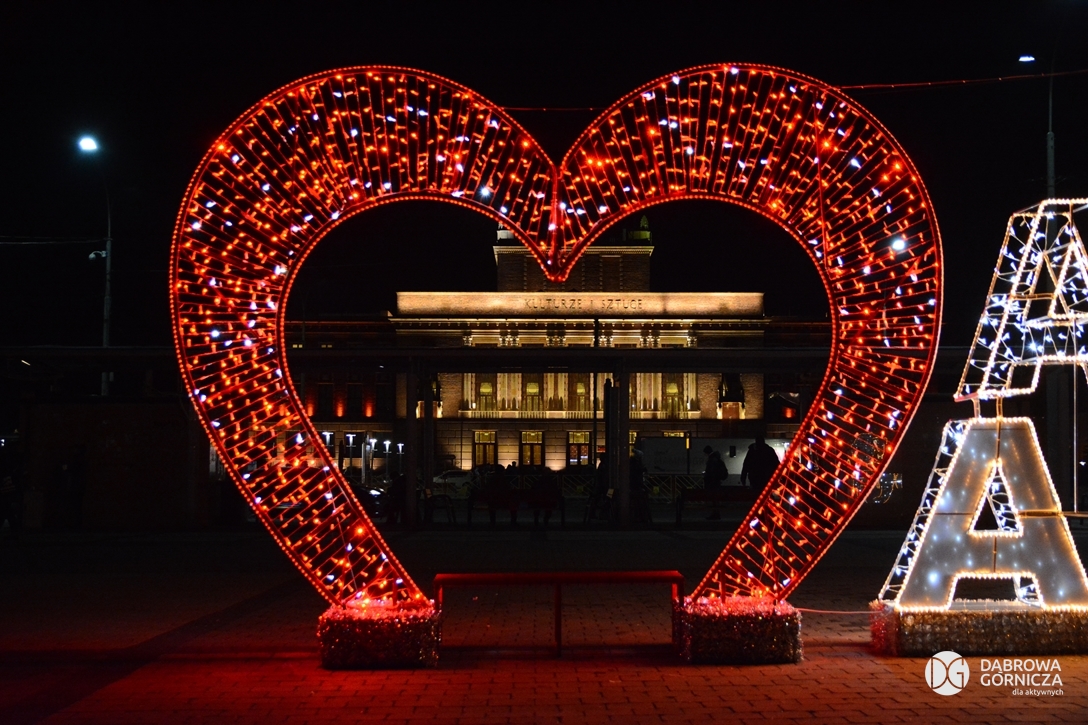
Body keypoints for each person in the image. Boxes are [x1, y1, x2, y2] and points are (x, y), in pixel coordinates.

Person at [703, 445, 727, 520]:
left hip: (712, 482)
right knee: (716, 499)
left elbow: (711, 472)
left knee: (714, 499)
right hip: (717, 482)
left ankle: (715, 514)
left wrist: (707, 477)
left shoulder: (712, 460)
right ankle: (716, 513)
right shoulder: (717, 458)